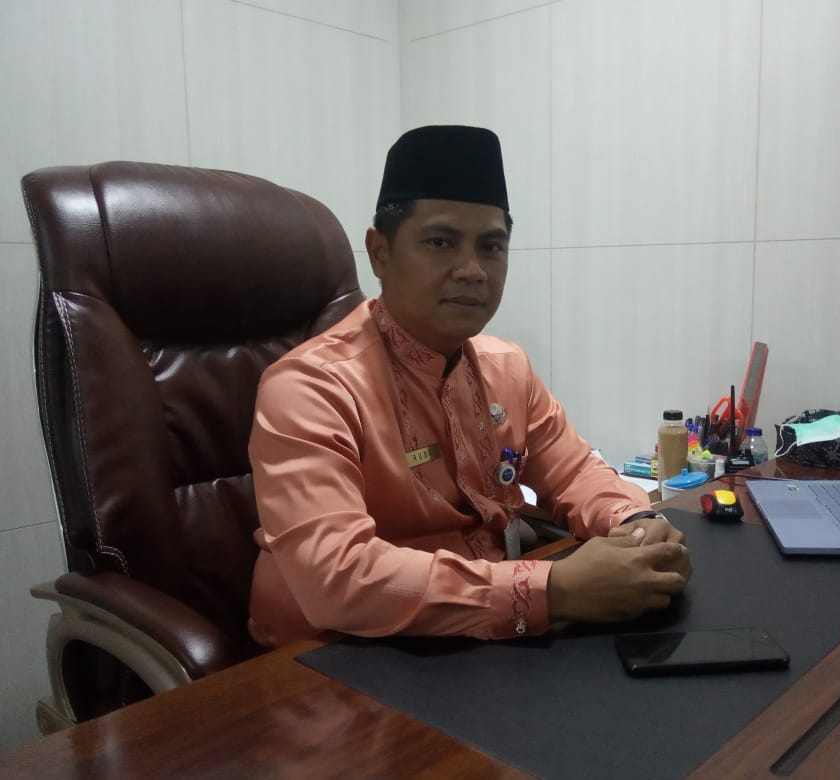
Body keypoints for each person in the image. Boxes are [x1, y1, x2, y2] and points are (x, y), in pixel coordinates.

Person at [247, 125, 690, 646]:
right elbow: (337, 579)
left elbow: (573, 472)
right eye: (441, 242)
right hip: (331, 653)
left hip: (474, 639)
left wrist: (635, 520)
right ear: (379, 252)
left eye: (491, 246)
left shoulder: (507, 368)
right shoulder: (311, 388)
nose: (473, 271)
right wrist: (553, 590)